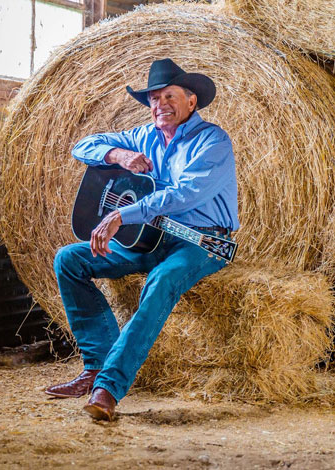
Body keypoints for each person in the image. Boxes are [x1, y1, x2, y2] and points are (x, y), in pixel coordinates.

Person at [46, 58, 239, 421]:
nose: (159, 105)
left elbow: (185, 194)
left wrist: (122, 214)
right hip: (147, 240)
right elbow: (83, 146)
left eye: (169, 96)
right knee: (70, 259)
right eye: (153, 98)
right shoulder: (142, 136)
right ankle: (95, 366)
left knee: (162, 279)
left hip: (200, 242)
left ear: (192, 101)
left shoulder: (213, 141)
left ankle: (108, 388)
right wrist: (118, 154)